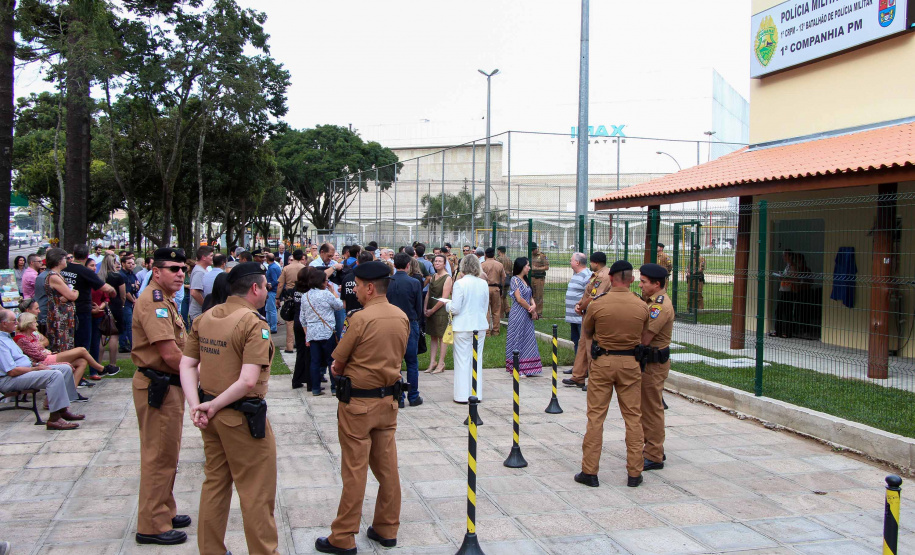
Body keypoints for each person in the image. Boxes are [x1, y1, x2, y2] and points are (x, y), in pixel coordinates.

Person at [179, 261, 278, 555]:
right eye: (265, 286)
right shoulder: (252, 323)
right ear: (255, 288)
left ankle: (211, 550)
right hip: (240, 418)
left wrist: (198, 405)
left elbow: (187, 365)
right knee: (256, 493)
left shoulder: (205, 318)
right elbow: (248, 380)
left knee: (215, 485)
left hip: (212, 415)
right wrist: (210, 406)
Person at [315, 261, 409, 555]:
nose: (353, 289)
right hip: (388, 403)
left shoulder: (360, 319)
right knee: (387, 468)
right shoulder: (401, 317)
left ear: (370, 287)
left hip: (358, 404)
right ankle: (386, 528)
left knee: (355, 471)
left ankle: (342, 536)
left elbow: (338, 362)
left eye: (356, 284)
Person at [131, 248, 192, 546]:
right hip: (159, 385)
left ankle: (164, 509)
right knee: (158, 456)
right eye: (173, 268)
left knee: (168, 452)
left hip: (168, 385)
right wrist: (200, 379)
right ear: (156, 272)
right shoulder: (153, 302)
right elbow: (169, 354)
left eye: (183, 268)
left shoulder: (165, 299)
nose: (181, 273)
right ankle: (152, 524)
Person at [575, 260, 650, 489]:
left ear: (612, 278)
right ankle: (635, 473)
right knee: (633, 418)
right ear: (632, 280)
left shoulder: (598, 304)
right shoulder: (641, 306)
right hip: (630, 364)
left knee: (596, 418)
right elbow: (645, 336)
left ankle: (590, 471)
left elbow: (587, 331)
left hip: (603, 363)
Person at [0, 309, 85, 430]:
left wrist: (35, 366)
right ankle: (54, 419)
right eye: (14, 321)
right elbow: (11, 371)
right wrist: (35, 369)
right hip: (10, 379)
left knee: (65, 368)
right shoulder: (1, 342)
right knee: (54, 375)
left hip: (25, 371)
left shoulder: (8, 338)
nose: (17, 324)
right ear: (3, 323)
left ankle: (62, 409)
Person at [638, 263, 675, 472]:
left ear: (656, 284)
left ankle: (654, 455)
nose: (640, 284)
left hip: (653, 363)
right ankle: (654, 447)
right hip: (649, 362)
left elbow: (645, 337)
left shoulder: (659, 307)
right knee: (647, 407)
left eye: (644, 282)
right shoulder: (650, 301)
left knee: (652, 409)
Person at [15, 312, 111, 386]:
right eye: (34, 322)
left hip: (48, 356)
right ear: (28, 323)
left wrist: (43, 349)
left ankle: (72, 391)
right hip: (43, 361)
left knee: (82, 361)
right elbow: (38, 355)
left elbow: (45, 343)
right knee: (81, 350)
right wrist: (44, 350)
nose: (36, 324)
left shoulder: (32, 335)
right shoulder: (21, 338)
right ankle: (101, 369)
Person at [563, 252, 612, 389]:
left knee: (591, 347)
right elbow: (587, 293)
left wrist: (581, 307)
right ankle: (578, 376)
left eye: (591, 263)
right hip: (587, 314)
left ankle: (593, 378)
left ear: (596, 263)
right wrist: (580, 303)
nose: (590, 265)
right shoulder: (596, 275)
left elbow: (594, 297)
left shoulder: (603, 276)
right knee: (583, 345)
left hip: (595, 314)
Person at [447, 254, 490, 402]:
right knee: (476, 360)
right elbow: (485, 307)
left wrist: (447, 305)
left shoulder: (460, 283)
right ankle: (476, 393)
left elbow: (455, 308)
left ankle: (461, 395)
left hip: (463, 326)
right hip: (479, 324)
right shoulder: (483, 283)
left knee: (462, 361)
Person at [62, 244, 115, 356]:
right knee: (83, 343)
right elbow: (103, 287)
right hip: (82, 310)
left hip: (65, 309)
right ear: (87, 255)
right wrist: (112, 290)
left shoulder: (64, 268)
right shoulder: (85, 271)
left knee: (69, 341)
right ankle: (80, 370)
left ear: (73, 253)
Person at [387, 252, 424, 407]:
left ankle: (399, 396)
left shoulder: (387, 282)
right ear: (408, 265)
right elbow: (419, 307)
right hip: (410, 321)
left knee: (395, 362)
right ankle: (413, 395)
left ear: (394, 265)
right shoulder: (414, 283)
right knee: (412, 362)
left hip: (391, 323)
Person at [299, 267, 343, 396]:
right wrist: (333, 291)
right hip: (327, 331)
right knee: (331, 360)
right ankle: (334, 387)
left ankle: (316, 388)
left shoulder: (305, 296)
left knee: (315, 361)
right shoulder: (326, 294)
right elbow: (339, 305)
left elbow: (302, 318)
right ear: (322, 282)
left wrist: (306, 334)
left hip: (312, 332)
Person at [505, 257, 542, 377]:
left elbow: (529, 295)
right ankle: (517, 367)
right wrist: (530, 309)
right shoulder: (515, 280)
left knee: (528, 337)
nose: (529, 268)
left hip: (527, 313)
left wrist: (534, 305)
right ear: (521, 266)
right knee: (518, 337)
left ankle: (528, 366)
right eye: (527, 265)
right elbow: (519, 299)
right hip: (518, 313)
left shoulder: (525, 280)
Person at [44, 248, 79, 356]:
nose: (67, 260)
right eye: (65, 258)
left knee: (67, 343)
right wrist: (75, 292)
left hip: (64, 315)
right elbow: (72, 295)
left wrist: (69, 295)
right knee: (61, 346)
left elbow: (68, 295)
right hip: (59, 316)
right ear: (58, 260)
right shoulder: (54, 276)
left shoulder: (59, 275)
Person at [423, 254, 452, 374]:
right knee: (433, 336)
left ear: (444, 264)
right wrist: (425, 308)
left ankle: (441, 363)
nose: (437, 263)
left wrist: (432, 310)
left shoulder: (448, 278)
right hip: (430, 308)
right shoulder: (433, 276)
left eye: (440, 261)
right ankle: (432, 362)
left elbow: (444, 297)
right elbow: (428, 294)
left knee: (441, 337)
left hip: (440, 310)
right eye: (435, 261)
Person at [97, 254, 126, 370]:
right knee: (114, 335)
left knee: (102, 335)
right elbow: (122, 293)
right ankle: (113, 363)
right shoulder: (117, 277)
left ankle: (98, 363)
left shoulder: (99, 276)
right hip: (116, 305)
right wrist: (122, 303)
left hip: (102, 305)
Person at [277, 249, 306, 353]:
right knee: (301, 318)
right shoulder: (303, 268)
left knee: (289, 321)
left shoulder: (286, 268)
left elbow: (280, 284)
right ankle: (300, 343)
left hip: (289, 295)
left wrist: (277, 297)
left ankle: (289, 346)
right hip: (301, 294)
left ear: (293, 256)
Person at [565, 252, 592, 354]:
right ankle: (577, 366)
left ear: (577, 262)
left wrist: (581, 307)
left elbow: (589, 295)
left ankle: (583, 368)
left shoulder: (587, 275)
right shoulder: (576, 274)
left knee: (582, 343)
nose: (570, 262)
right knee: (576, 341)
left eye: (571, 260)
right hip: (574, 317)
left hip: (581, 317)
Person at [480, 248, 506, 336]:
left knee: (486, 310)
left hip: (485, 288)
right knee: (496, 311)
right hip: (496, 289)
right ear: (494, 254)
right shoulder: (499, 265)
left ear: (485, 255)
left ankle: (486, 332)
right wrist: (501, 287)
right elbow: (504, 277)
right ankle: (495, 331)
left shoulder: (482, 265)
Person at [188, 246, 214, 324]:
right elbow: (194, 292)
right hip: (198, 314)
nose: (213, 258)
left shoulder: (203, 270)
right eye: (211, 256)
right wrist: (205, 306)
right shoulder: (199, 272)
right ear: (204, 257)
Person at [120, 255, 140, 353]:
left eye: (132, 263)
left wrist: (135, 287)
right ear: (123, 263)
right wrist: (133, 300)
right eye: (129, 263)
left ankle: (125, 344)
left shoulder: (132, 274)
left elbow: (137, 285)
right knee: (128, 324)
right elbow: (126, 291)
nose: (131, 265)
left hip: (133, 299)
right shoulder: (122, 275)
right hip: (126, 302)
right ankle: (129, 345)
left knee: (129, 324)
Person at [529, 242, 549, 319]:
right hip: (531, 278)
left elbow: (546, 267)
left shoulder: (542, 256)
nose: (532, 252)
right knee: (532, 295)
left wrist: (537, 269)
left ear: (536, 249)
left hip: (539, 278)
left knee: (539, 296)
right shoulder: (530, 255)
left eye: (533, 250)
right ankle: (533, 311)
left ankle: (539, 312)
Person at [265, 252, 281, 334]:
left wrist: (270, 285)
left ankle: (273, 327)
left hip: (272, 291)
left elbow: (275, 280)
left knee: (271, 309)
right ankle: (268, 325)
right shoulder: (276, 266)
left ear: (267, 259)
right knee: (268, 309)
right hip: (274, 291)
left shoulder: (271, 268)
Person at [686, 246, 706, 310]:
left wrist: (693, 273)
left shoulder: (701, 259)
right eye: (693, 249)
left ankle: (699, 309)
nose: (694, 251)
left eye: (695, 249)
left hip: (698, 279)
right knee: (690, 294)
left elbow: (701, 269)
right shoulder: (691, 258)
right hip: (691, 279)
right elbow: (688, 267)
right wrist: (688, 272)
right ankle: (690, 308)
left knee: (698, 294)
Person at [497, 246, 512, 317]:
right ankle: (508, 310)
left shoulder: (498, 259)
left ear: (499, 251)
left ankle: (501, 314)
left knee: (500, 296)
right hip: (508, 278)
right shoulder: (509, 259)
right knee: (504, 296)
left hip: (501, 279)